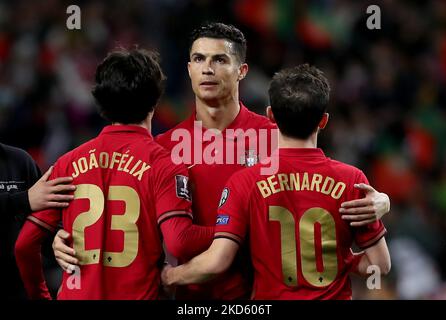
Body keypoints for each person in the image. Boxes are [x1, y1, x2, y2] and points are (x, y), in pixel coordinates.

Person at [52, 23, 391, 300]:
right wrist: (70, 240)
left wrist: (381, 199)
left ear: (242, 70)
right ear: (187, 69)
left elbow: (327, 185)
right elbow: (124, 221)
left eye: (219, 60)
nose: (208, 69)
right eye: (198, 59)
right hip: (188, 297)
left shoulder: (276, 136)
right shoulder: (162, 150)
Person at [161, 64, 391, 299]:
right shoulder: (352, 181)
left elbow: (218, 261)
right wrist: (341, 259)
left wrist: (172, 276)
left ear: (270, 115)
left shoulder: (244, 182)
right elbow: (380, 265)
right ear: (323, 121)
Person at [14, 48, 214, 300]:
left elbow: (24, 245)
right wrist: (233, 230)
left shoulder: (66, 164)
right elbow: (180, 241)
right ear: (154, 101)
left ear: (102, 102)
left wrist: (41, 296)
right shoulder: (164, 165)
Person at [0, 143, 75, 299]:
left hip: (21, 290)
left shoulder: (19, 161)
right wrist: (24, 200)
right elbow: (29, 200)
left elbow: (42, 227)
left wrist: (58, 240)